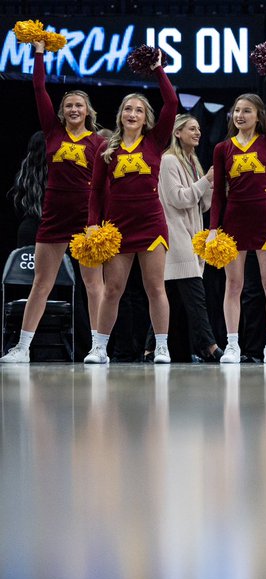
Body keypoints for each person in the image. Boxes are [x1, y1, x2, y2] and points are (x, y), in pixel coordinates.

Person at [2, 40, 105, 364]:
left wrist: (96, 221)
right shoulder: (52, 133)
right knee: (42, 282)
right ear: (61, 112)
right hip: (54, 218)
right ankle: (22, 348)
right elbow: (38, 87)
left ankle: (98, 348)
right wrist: (39, 53)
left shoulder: (99, 141)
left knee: (93, 284)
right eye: (69, 105)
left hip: (86, 219)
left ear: (88, 111)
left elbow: (103, 186)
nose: (74, 109)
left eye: (79, 105)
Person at [83, 48, 178, 365]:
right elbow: (95, 191)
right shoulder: (105, 150)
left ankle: (162, 346)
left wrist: (158, 70)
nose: (133, 114)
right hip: (117, 228)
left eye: (138, 110)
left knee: (155, 288)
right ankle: (99, 347)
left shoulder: (155, 141)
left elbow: (172, 104)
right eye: (128, 109)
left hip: (151, 224)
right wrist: (93, 223)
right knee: (113, 290)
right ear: (121, 115)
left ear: (146, 117)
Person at [207, 70, 266, 364]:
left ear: (258, 116)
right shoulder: (223, 148)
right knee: (233, 286)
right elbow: (219, 193)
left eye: (247, 110)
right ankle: (232, 344)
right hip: (234, 219)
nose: (240, 115)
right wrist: (213, 229)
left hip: (265, 218)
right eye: (237, 110)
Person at [156, 114, 222, 362]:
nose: (197, 133)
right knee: (195, 296)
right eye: (191, 128)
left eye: (198, 128)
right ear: (177, 133)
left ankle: (156, 348)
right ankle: (210, 346)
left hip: (192, 234)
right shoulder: (169, 161)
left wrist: (213, 186)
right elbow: (179, 198)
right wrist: (206, 181)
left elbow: (201, 204)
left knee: (175, 299)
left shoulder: (193, 160)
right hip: (176, 235)